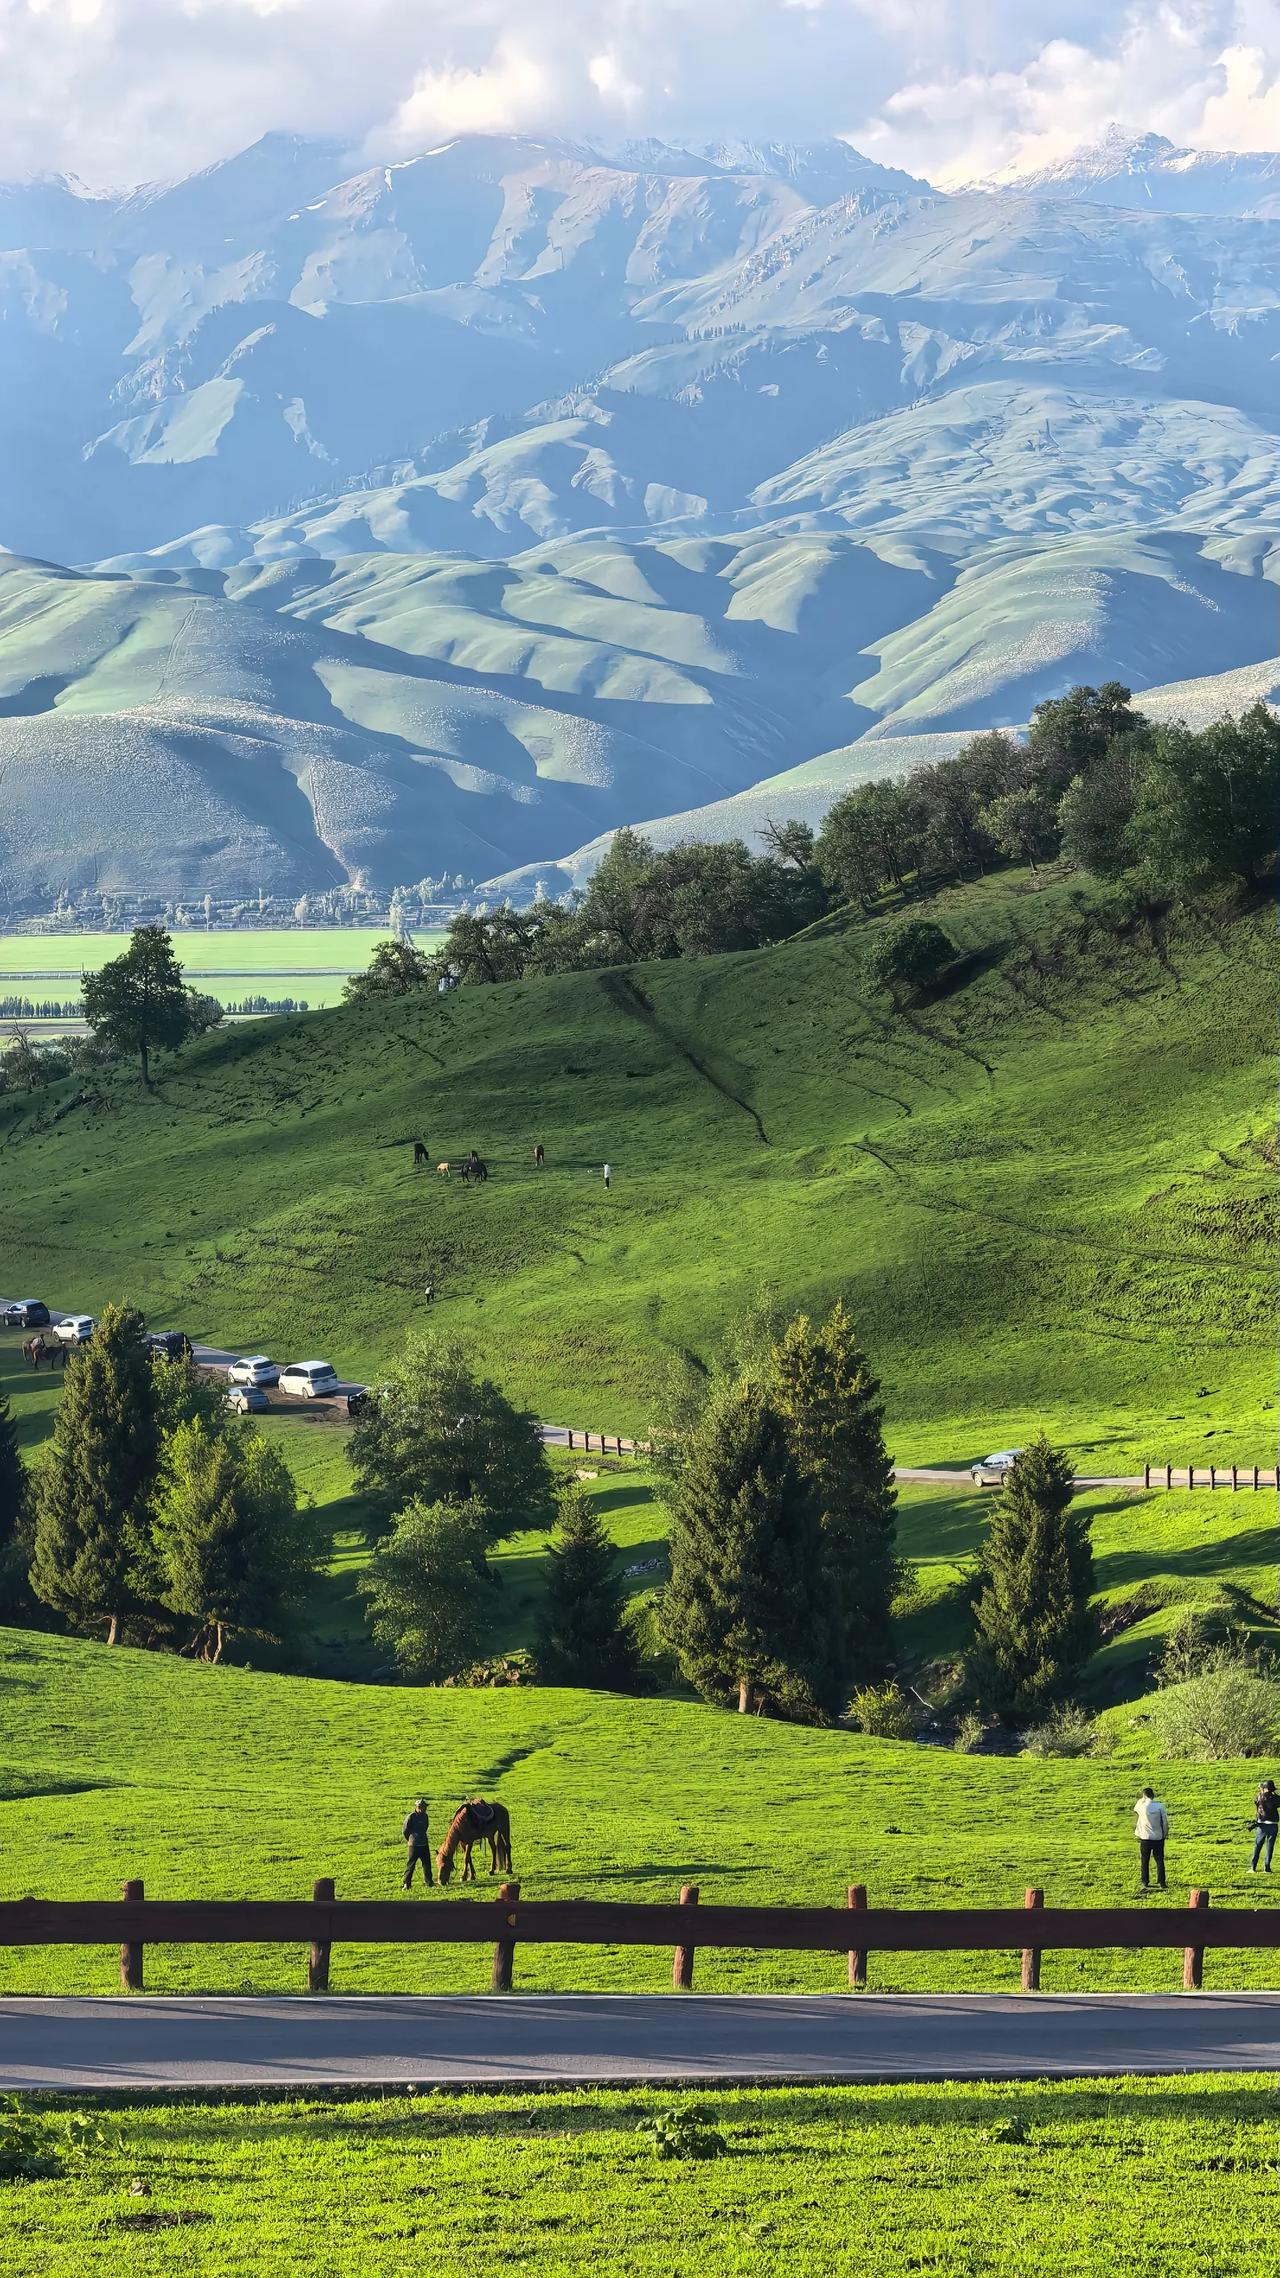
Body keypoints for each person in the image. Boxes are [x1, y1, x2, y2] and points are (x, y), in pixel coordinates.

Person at [1133, 1786, 1169, 1891]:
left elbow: (1136, 1807)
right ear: (1153, 1796)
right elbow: (1165, 1822)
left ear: (1144, 1796)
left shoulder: (1141, 1806)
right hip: (1158, 1837)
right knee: (1159, 1860)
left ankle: (1145, 1881)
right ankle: (1162, 1882)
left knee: (1145, 1860)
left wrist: (1142, 1799)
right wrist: (1165, 1834)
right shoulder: (1160, 1806)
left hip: (1145, 1838)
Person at [402, 1798, 433, 1890]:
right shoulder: (411, 1817)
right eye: (423, 1807)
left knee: (427, 1864)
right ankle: (407, 1883)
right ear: (418, 1807)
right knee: (411, 1865)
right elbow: (405, 1830)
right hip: (414, 1845)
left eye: (425, 1808)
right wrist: (410, 1839)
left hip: (424, 1843)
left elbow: (425, 1827)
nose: (424, 1809)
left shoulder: (425, 1816)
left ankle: (429, 1882)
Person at [1252, 1779, 1279, 1873]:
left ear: (1264, 1788)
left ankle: (1253, 1867)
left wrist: (1261, 1791)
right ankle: (1266, 1867)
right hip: (1273, 1825)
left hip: (1261, 1825)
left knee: (1257, 1846)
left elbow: (1255, 1802)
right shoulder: (1274, 1798)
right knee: (1269, 1847)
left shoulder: (1259, 1796)